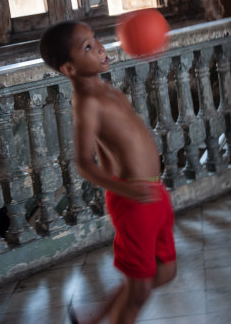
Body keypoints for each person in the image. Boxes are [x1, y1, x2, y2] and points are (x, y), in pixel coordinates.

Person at [40, 20, 176, 324]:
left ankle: (97, 315)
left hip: (154, 193)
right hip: (133, 200)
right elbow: (83, 163)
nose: (100, 47)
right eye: (87, 47)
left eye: (95, 38)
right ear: (70, 69)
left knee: (165, 272)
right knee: (139, 290)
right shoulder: (87, 103)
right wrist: (124, 189)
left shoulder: (104, 88)